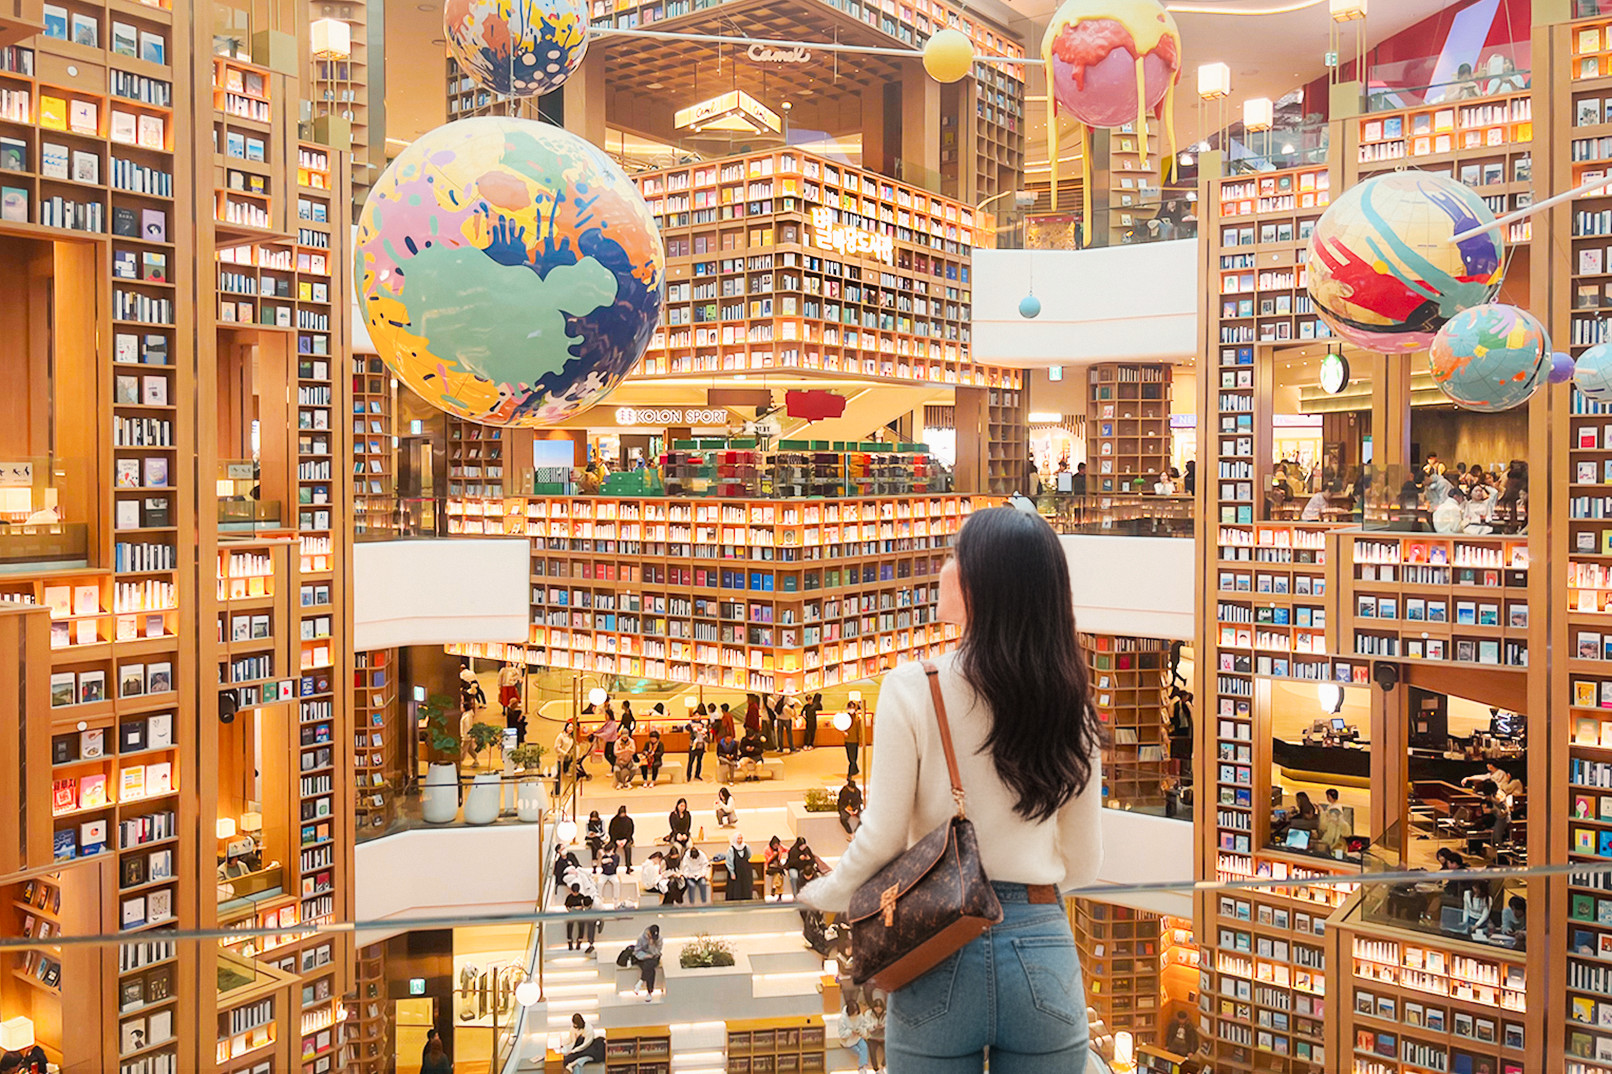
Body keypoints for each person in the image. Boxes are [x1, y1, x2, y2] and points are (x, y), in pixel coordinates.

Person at [798, 506, 1104, 1074]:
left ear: (983, 584)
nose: (944, 567)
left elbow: (882, 837)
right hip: (1042, 942)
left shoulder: (913, 688)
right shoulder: (1071, 701)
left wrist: (827, 892)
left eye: (956, 557)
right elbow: (1086, 862)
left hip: (936, 944)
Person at [839, 998, 874, 1074]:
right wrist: (851, 1032)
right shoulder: (842, 1019)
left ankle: (862, 1068)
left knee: (864, 1047)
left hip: (858, 1038)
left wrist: (860, 1030)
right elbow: (842, 1034)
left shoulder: (859, 1015)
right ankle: (862, 1067)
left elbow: (864, 1025)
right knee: (860, 1052)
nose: (855, 1014)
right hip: (848, 1041)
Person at [632, 924, 663, 999]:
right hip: (643, 958)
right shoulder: (641, 938)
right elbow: (637, 952)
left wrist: (651, 945)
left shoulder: (659, 939)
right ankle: (649, 992)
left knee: (649, 964)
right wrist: (646, 956)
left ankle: (640, 982)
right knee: (650, 968)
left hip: (654, 957)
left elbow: (657, 951)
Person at [565, 882, 597, 953]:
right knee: (570, 925)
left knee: (581, 925)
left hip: (580, 913)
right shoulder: (569, 897)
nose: (575, 894)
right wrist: (571, 909)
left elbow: (584, 905)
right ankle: (570, 941)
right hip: (571, 914)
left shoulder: (581, 896)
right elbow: (567, 906)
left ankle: (579, 941)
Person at [725, 832, 755, 901]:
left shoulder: (746, 847)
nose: (740, 840)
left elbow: (749, 856)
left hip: (746, 871)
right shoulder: (731, 849)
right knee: (736, 888)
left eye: (741, 838)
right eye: (738, 838)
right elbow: (729, 862)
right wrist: (732, 872)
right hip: (736, 871)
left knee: (746, 887)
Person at [597, 841, 625, 906]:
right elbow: (603, 866)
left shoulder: (616, 857)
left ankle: (616, 900)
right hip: (604, 874)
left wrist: (610, 861)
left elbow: (614, 866)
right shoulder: (604, 856)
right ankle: (600, 900)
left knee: (616, 883)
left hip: (613, 874)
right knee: (600, 883)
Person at [763, 835, 788, 901]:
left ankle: (775, 887)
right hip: (770, 866)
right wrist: (772, 856)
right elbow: (766, 861)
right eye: (775, 845)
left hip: (777, 866)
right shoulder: (767, 850)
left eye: (777, 845)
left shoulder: (780, 848)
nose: (776, 846)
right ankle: (779, 894)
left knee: (779, 875)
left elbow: (788, 849)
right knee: (779, 871)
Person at [842, 702, 863, 778]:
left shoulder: (857, 718)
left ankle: (850, 773)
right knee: (850, 758)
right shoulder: (845, 717)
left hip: (855, 740)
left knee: (853, 758)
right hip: (848, 740)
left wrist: (860, 741)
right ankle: (855, 770)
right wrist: (843, 732)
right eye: (850, 708)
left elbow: (859, 730)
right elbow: (842, 726)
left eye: (853, 708)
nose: (851, 710)